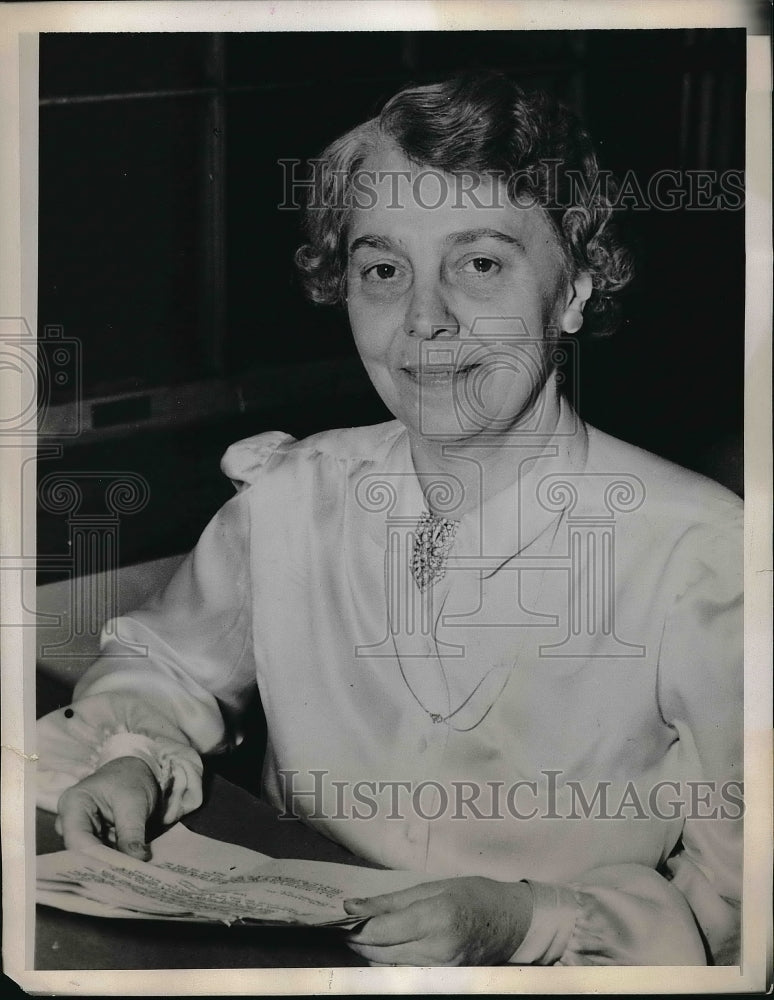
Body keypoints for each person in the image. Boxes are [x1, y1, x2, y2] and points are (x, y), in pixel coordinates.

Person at [36, 72, 742, 967]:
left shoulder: (700, 557)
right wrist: (135, 752)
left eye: (479, 264)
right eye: (382, 270)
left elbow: (742, 892)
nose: (423, 322)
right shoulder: (294, 495)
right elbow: (167, 664)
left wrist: (533, 921)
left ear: (574, 290)